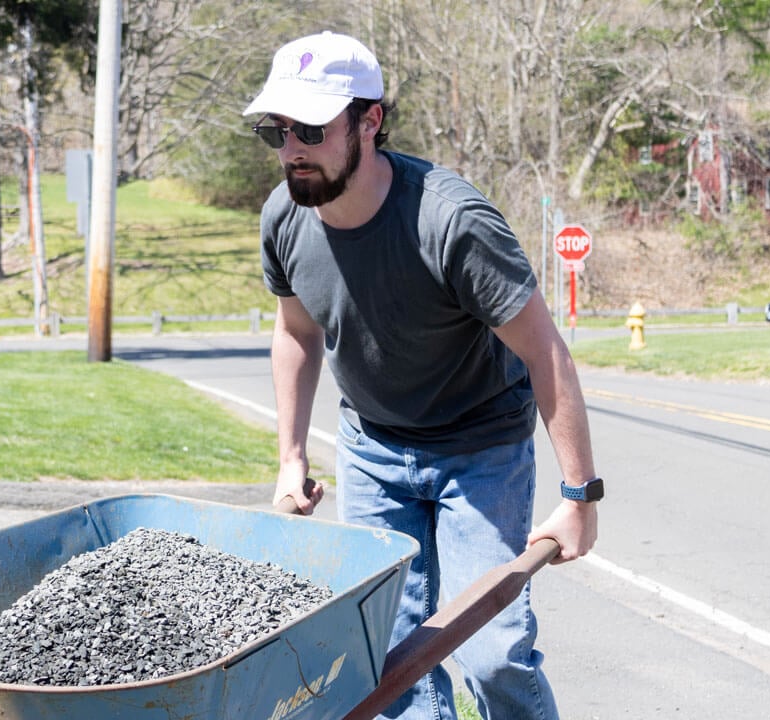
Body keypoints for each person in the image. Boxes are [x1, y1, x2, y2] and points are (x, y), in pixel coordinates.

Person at [243, 31, 601, 720]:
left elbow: (545, 351)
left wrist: (579, 497)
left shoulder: (451, 221)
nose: (291, 148)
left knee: (493, 651)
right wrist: (290, 457)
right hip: (373, 449)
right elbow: (295, 333)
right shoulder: (285, 216)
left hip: (480, 449)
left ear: (369, 120)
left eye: (311, 128)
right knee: (388, 658)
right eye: (275, 129)